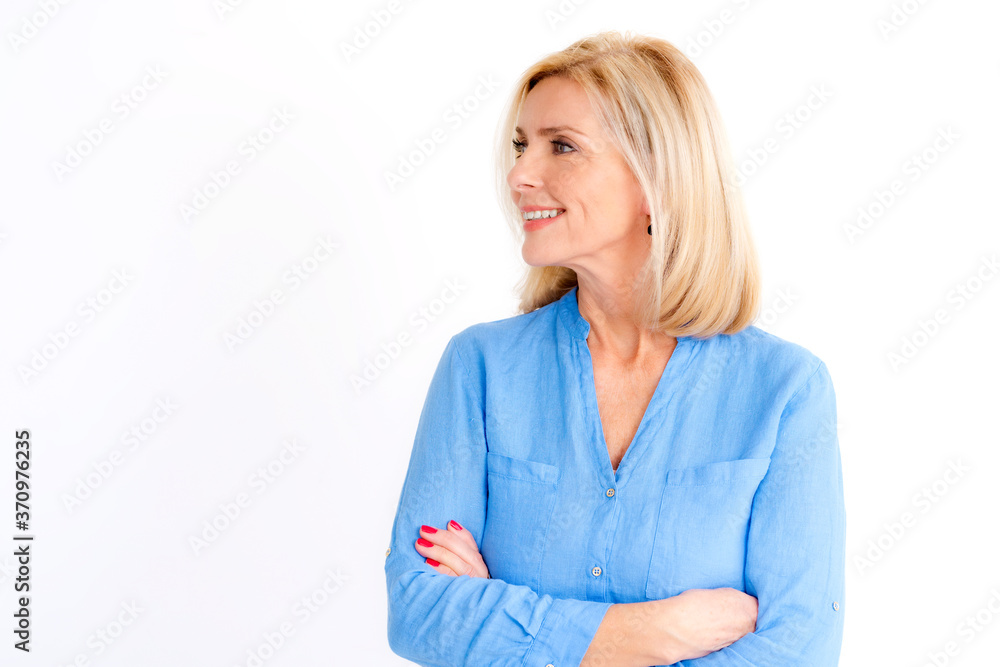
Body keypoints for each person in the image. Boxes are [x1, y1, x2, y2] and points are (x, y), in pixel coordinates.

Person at [384, 30, 845, 666]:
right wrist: (651, 632)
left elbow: (798, 652)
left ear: (656, 180)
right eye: (521, 145)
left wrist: (506, 626)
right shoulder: (480, 368)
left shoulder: (785, 389)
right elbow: (419, 611)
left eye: (562, 146)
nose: (519, 174)